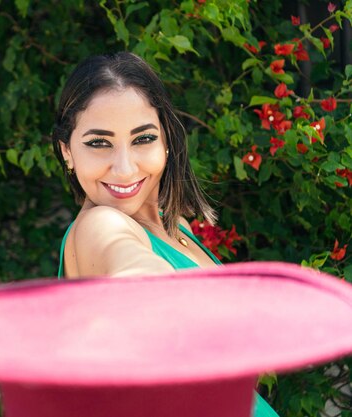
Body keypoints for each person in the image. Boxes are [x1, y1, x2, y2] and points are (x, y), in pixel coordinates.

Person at [52, 51, 279, 417]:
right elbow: (130, 262)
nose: (125, 168)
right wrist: (144, 285)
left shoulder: (177, 227)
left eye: (142, 139)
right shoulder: (98, 226)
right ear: (67, 151)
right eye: (99, 143)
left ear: (167, 142)